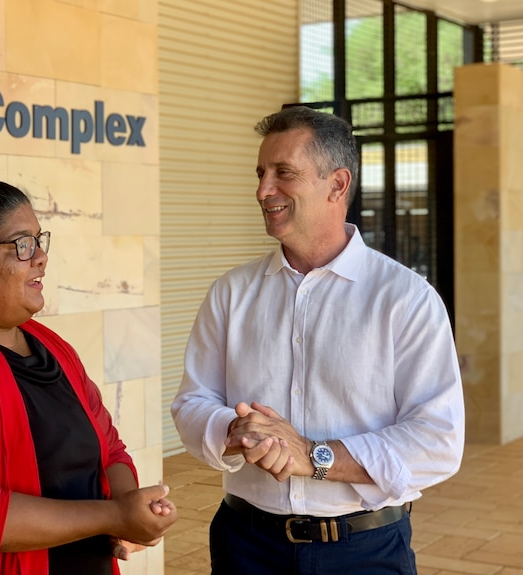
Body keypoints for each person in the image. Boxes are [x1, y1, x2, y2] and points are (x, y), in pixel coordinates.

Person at [171, 105, 464, 574]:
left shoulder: (406, 298)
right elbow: (192, 402)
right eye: (261, 173)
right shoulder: (231, 292)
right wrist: (237, 431)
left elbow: (437, 441)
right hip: (245, 546)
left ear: (337, 184)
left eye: (283, 173)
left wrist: (313, 456)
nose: (263, 190)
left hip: (364, 552)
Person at [0, 175, 178, 574]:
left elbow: (109, 449)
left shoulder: (47, 343)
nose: (40, 257)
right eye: (22, 245)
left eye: (39, 241)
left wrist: (133, 513)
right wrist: (114, 516)